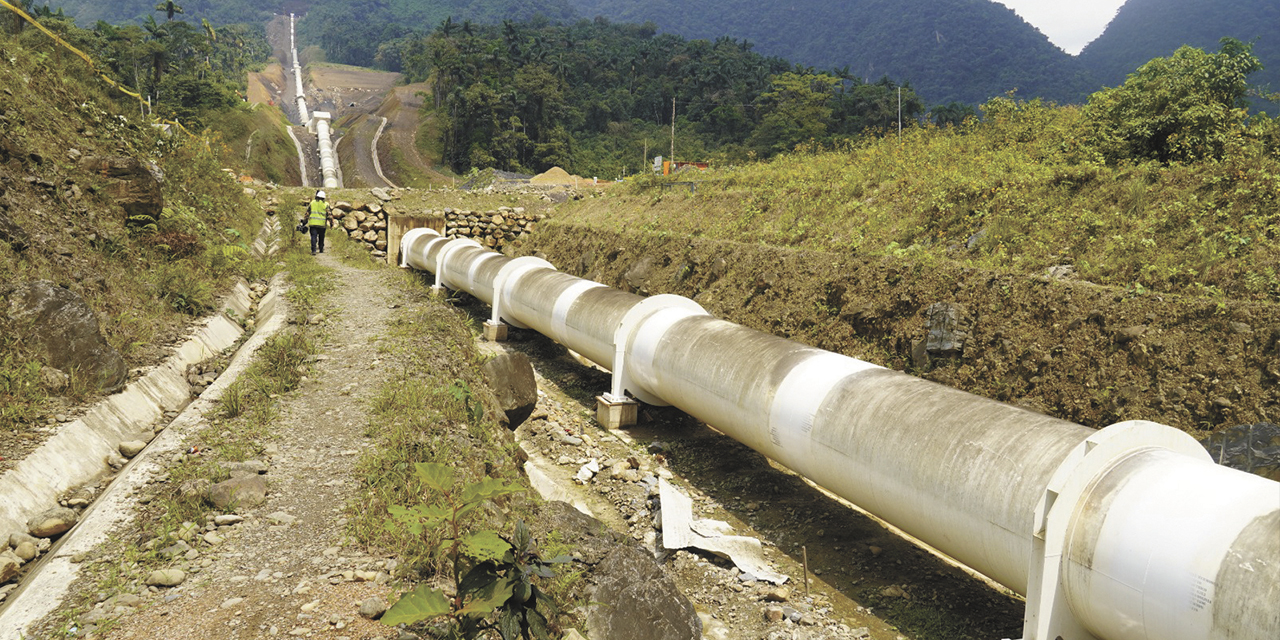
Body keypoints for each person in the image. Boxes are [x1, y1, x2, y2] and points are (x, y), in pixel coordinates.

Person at [307, 190, 330, 255]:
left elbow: (307, 213)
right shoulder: (326, 204)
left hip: (313, 224)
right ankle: (321, 248)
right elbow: (329, 214)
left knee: (313, 237)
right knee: (321, 236)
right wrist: (331, 223)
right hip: (322, 224)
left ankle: (313, 250)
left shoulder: (312, 203)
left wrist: (304, 222)